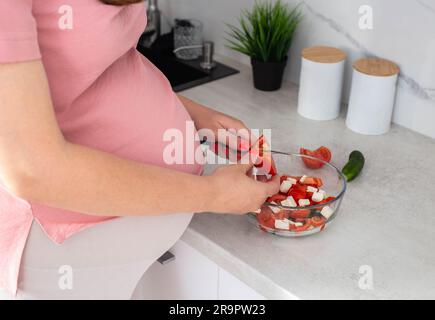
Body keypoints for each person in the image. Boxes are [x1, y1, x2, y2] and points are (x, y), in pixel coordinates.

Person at [0, 0, 279, 299]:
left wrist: (192, 113)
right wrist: (214, 194)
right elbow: (34, 170)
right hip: (67, 253)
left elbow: (102, 61)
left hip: (130, 244)